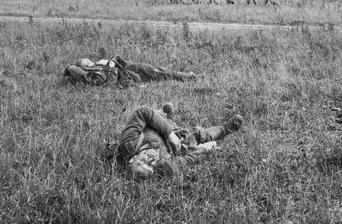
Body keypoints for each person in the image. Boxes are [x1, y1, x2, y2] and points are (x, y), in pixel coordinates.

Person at [104, 104, 243, 180]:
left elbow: (142, 112)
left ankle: (167, 118)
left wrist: (169, 133)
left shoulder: (129, 142)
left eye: (142, 161)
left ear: (133, 158)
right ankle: (226, 129)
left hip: (154, 129)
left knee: (162, 122)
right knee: (195, 133)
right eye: (150, 166)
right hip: (172, 142)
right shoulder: (165, 165)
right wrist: (205, 149)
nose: (150, 160)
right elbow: (187, 160)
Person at [64, 55, 200, 87]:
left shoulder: (98, 64)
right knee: (160, 73)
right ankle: (190, 77)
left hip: (130, 67)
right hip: (128, 75)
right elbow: (110, 82)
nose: (87, 60)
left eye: (86, 59)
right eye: (84, 62)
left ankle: (188, 76)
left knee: (160, 71)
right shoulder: (95, 74)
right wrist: (111, 66)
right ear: (85, 67)